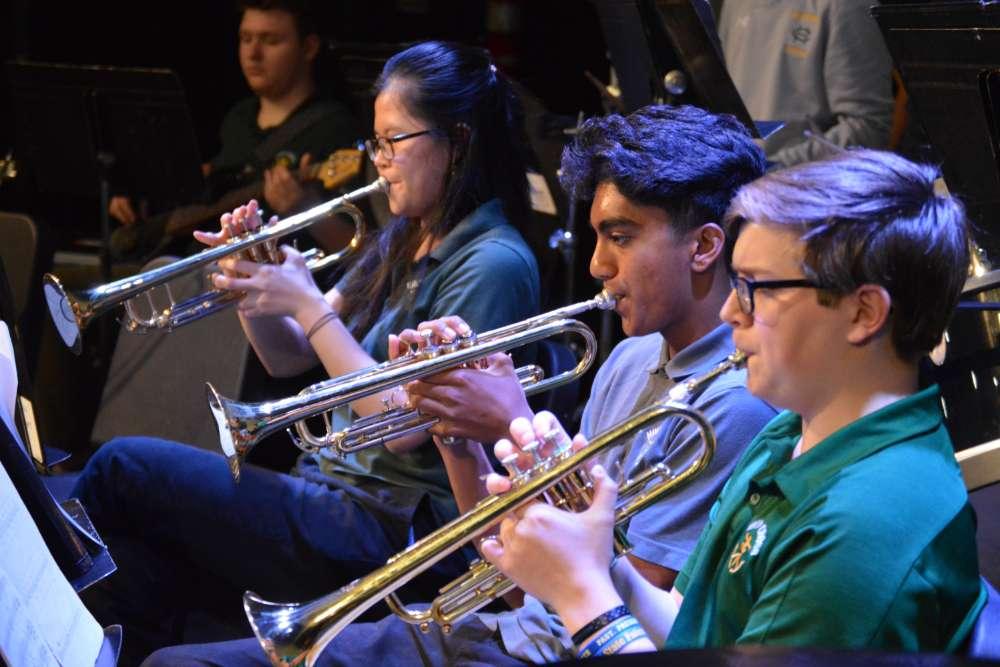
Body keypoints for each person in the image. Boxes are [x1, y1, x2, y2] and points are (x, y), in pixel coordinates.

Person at [143, 105, 779, 665]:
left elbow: (598, 609)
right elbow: (511, 576)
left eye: (621, 237)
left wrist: (510, 423)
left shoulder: (732, 407)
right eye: (595, 237)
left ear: (703, 248)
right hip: (500, 628)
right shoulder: (629, 359)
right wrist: (455, 435)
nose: (595, 266)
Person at [70, 40, 540, 666]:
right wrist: (253, 283)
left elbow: (401, 427)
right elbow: (289, 358)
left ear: (456, 142)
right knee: (143, 564)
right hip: (330, 493)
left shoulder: (493, 262)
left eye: (392, 141)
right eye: (376, 142)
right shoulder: (402, 235)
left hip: (388, 525)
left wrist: (307, 305)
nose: (379, 163)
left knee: (120, 469)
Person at [482, 149, 987, 656]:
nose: (729, 310)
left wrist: (578, 592)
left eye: (754, 289)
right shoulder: (789, 433)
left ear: (863, 312)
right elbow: (692, 631)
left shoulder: (862, 528)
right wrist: (599, 556)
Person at [108, 0, 360, 260]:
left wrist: (305, 209)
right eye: (246, 38)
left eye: (270, 41)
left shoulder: (335, 128)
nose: (253, 54)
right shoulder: (237, 118)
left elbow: (363, 249)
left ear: (308, 48)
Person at [718, 0, 894, 168]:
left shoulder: (847, 6)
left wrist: (773, 170)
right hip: (734, 187)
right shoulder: (734, 4)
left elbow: (869, 128)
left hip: (798, 192)